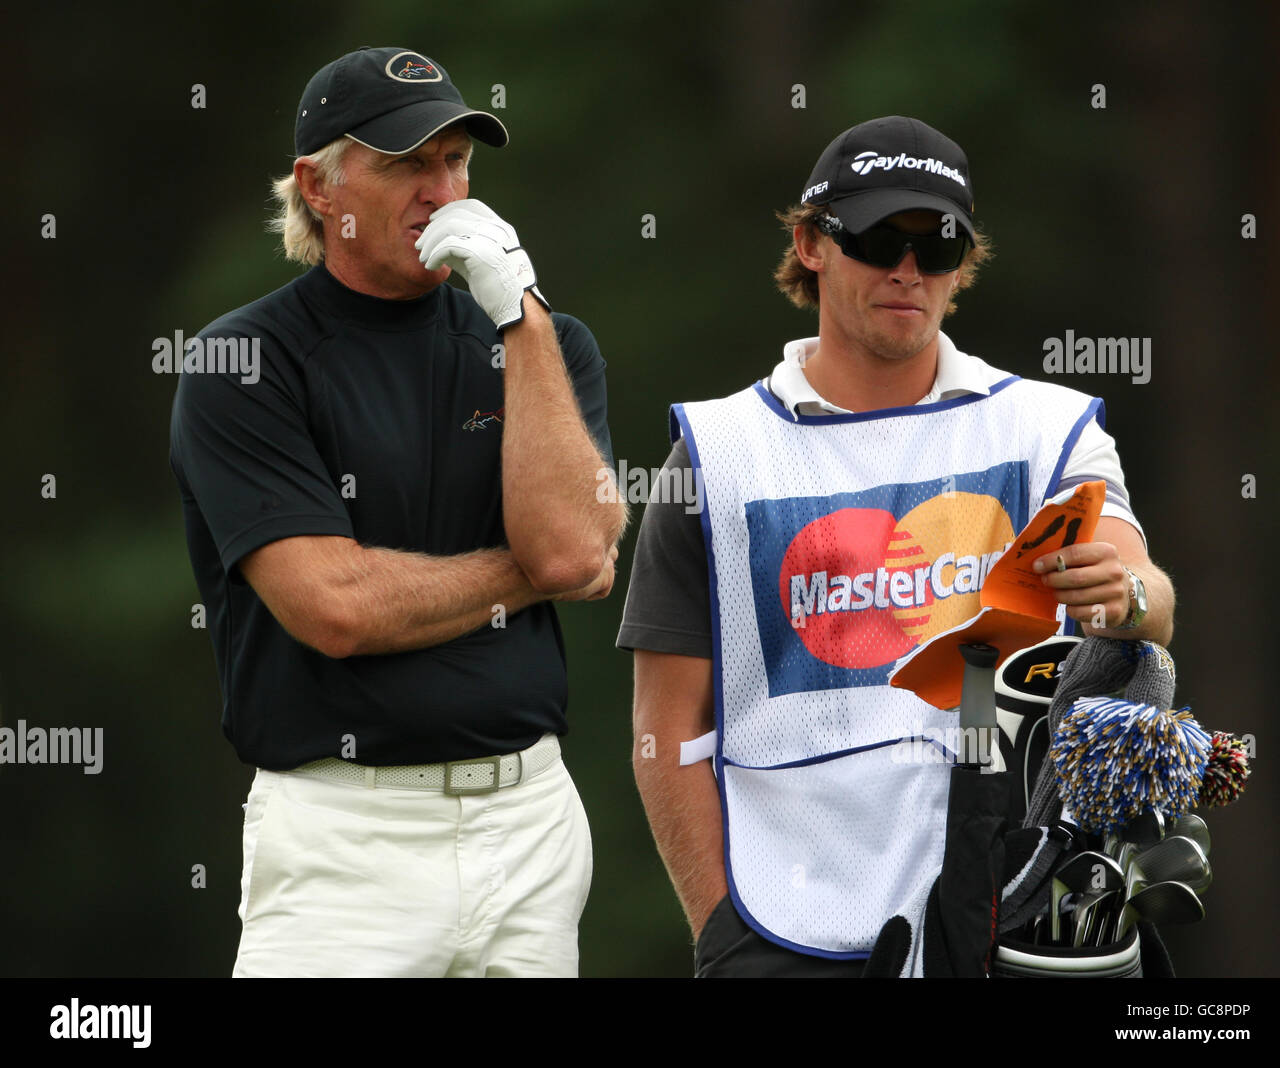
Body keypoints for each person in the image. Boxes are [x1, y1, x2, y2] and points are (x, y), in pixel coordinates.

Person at [617, 116, 1174, 977]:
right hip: (784, 922)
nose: (909, 270)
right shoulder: (716, 451)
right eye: (880, 239)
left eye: (939, 243)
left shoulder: (1046, 428)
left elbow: (1146, 598)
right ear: (811, 245)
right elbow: (665, 728)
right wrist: (723, 936)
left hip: (1010, 905)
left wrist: (1128, 598)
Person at [169, 46, 626, 978]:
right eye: (406, 163)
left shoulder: (546, 344)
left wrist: (522, 314)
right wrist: (523, 567)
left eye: (456, 161)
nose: (443, 191)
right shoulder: (245, 361)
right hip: (345, 838)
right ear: (319, 186)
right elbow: (334, 608)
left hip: (530, 821)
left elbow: (578, 558)